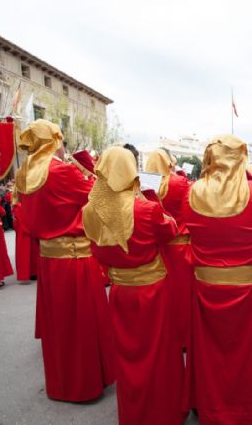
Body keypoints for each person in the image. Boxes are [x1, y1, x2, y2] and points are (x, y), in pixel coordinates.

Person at [182, 134, 252, 424]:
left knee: (211, 351)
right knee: (250, 350)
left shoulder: (192, 193)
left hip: (207, 286)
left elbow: (188, 226)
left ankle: (208, 403)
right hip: (250, 286)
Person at [83, 146, 185, 425]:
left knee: (128, 356)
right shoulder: (146, 208)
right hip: (152, 290)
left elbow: (96, 250)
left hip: (119, 289)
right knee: (160, 354)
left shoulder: (91, 210)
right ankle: (165, 412)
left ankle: (134, 414)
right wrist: (151, 199)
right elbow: (170, 230)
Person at [15, 119, 114, 402]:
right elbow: (100, 197)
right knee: (80, 324)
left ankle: (61, 383)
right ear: (53, 141)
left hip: (49, 258)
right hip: (75, 257)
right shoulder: (61, 172)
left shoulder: (24, 174)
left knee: (60, 328)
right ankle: (83, 385)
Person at [145, 148, 193, 351]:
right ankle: (184, 338)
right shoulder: (178, 182)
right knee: (183, 295)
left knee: (165, 297)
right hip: (181, 247)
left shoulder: (143, 185)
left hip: (158, 248)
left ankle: (167, 337)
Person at [11, 188, 39, 282]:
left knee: (28, 254)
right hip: (27, 233)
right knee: (29, 253)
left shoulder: (17, 206)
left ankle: (32, 272)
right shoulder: (19, 206)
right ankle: (32, 272)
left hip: (23, 233)